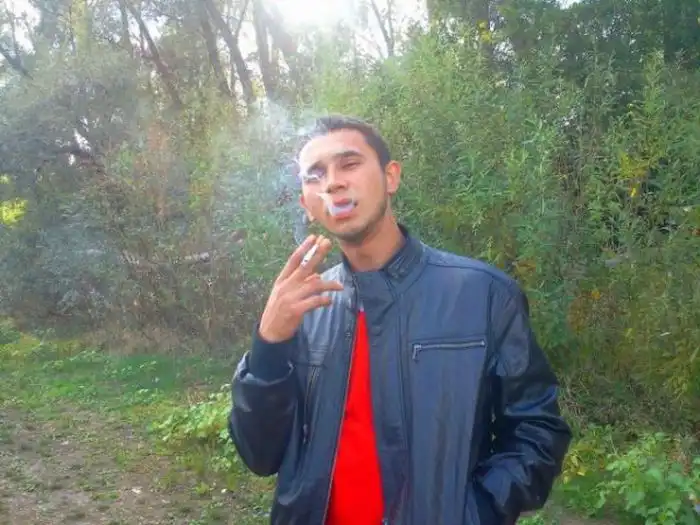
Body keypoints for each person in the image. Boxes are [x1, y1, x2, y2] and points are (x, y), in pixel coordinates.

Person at [228, 115, 572, 525]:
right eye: (315, 175)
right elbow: (260, 454)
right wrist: (268, 345)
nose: (332, 183)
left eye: (349, 164)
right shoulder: (303, 307)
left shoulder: (483, 294)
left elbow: (537, 430)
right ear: (307, 204)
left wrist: (476, 512)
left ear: (390, 177)